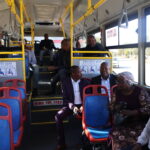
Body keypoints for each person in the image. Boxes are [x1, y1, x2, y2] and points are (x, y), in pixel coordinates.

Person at [110, 72, 150, 150]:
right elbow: (111, 106)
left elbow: (148, 108)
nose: (118, 84)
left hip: (138, 124)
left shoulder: (140, 92)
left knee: (137, 141)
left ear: (129, 82)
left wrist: (133, 112)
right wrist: (117, 108)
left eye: (121, 82)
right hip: (122, 124)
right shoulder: (117, 92)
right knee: (118, 141)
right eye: (117, 82)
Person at [55, 65, 90, 150]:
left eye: (80, 72)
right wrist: (73, 107)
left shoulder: (86, 82)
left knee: (90, 116)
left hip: (83, 106)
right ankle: (61, 143)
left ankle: (87, 142)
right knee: (58, 117)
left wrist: (83, 106)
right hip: (71, 105)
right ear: (72, 74)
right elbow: (65, 99)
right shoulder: (65, 82)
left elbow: (88, 97)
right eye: (78, 72)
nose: (80, 74)